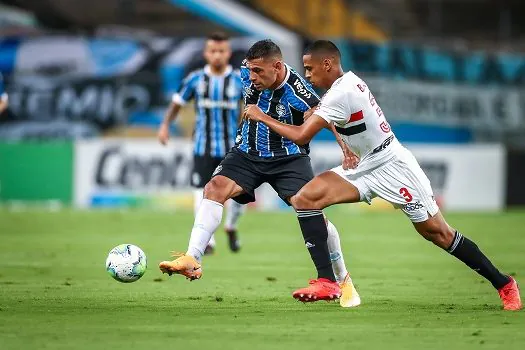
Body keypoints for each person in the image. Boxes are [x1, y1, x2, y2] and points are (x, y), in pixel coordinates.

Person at [244, 40, 522, 310]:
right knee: (305, 199)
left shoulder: (340, 93)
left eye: (310, 68)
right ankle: (328, 281)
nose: (307, 75)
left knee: (438, 233)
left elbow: (303, 135)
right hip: (364, 165)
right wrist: (342, 143)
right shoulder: (346, 84)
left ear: (327, 64)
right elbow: (340, 120)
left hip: (393, 165)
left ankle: (504, 283)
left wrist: (263, 116)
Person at [159, 39, 361, 308]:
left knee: (313, 212)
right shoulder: (245, 70)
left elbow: (324, 116)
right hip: (247, 153)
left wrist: (345, 147)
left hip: (288, 158)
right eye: (250, 70)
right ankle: (192, 258)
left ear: (277, 67)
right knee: (215, 187)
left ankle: (342, 278)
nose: (251, 77)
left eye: (258, 72)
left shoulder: (298, 91)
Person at [158, 32, 244, 254]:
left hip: (231, 148)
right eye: (213, 51)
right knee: (201, 191)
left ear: (228, 53)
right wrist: (165, 125)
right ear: (206, 53)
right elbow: (177, 103)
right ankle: (209, 241)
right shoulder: (196, 79)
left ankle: (231, 226)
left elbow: (251, 107)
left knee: (238, 195)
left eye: (221, 51)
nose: (217, 55)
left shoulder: (238, 80)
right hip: (202, 146)